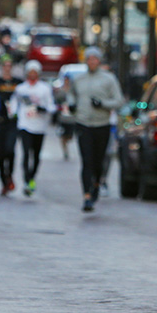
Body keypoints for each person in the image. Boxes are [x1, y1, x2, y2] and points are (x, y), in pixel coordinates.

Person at [67, 47, 125, 212]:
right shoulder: (79, 79)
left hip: (102, 124)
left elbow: (119, 101)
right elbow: (71, 94)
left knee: (98, 161)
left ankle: (97, 184)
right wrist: (72, 104)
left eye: (95, 59)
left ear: (99, 61)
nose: (91, 62)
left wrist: (103, 104)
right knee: (86, 160)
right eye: (89, 59)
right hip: (83, 123)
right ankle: (86, 196)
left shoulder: (109, 79)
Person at [10, 60, 55, 196]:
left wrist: (44, 109)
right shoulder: (21, 89)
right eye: (30, 72)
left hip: (40, 127)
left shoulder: (45, 89)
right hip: (25, 125)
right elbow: (13, 103)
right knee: (25, 153)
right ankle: (26, 180)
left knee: (35, 155)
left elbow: (52, 106)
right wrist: (13, 114)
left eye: (35, 72)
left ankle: (32, 177)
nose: (32, 74)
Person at [0, 56, 22, 195]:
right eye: (5, 65)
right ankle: (3, 180)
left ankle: (9, 173)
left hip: (13, 122)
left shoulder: (18, 83)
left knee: (10, 149)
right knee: (0, 152)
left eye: (9, 65)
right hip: (0, 122)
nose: (7, 67)